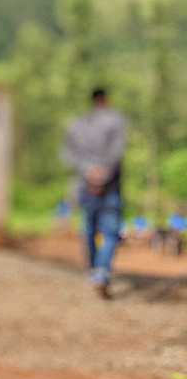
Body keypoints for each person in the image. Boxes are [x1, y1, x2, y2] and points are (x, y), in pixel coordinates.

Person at [61, 87, 126, 298]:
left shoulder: (77, 124)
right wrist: (102, 175)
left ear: (91, 100)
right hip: (110, 185)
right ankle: (101, 271)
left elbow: (67, 153)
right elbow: (117, 151)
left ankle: (92, 271)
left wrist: (88, 171)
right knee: (110, 230)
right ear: (105, 99)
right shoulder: (116, 121)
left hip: (84, 183)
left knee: (88, 228)